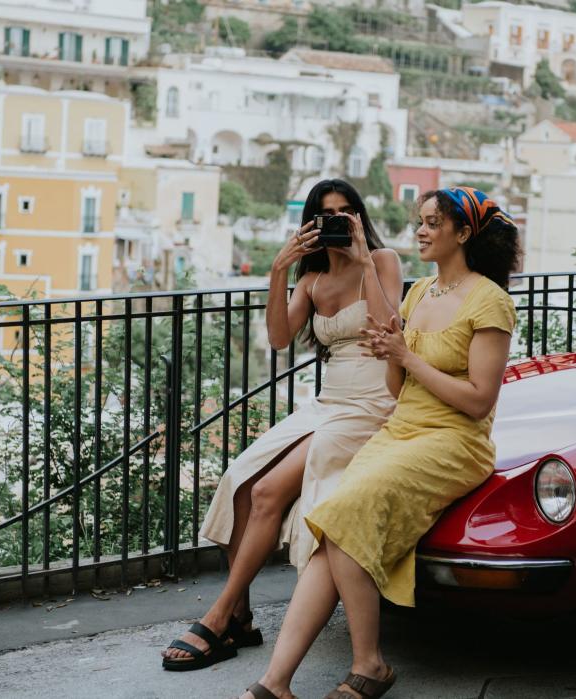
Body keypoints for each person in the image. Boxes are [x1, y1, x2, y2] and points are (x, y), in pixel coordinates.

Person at [240, 187, 521, 699]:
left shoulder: (490, 301)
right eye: (421, 220)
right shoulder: (419, 295)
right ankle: (275, 683)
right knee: (332, 529)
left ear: (463, 234)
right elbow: (397, 390)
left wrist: (408, 356)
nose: (421, 230)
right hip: (402, 429)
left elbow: (479, 402)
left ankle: (369, 664)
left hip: (454, 440)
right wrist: (392, 353)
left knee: (342, 513)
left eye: (433, 223)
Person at [162, 179, 404, 671]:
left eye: (346, 212)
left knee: (271, 491)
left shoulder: (383, 262)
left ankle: (218, 615)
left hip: (372, 402)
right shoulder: (312, 280)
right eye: (326, 215)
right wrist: (279, 270)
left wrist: (360, 260)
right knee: (241, 481)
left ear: (359, 217)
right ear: (310, 225)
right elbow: (277, 337)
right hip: (329, 400)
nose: (338, 221)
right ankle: (243, 619)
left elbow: (388, 329)